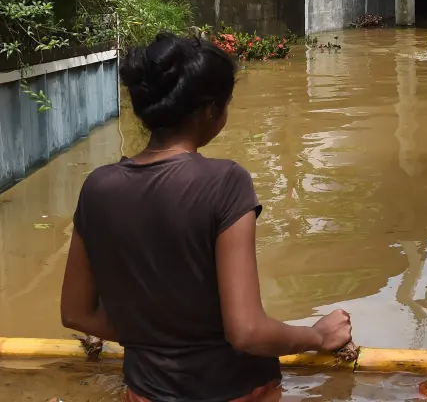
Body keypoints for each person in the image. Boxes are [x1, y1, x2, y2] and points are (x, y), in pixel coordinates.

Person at [61, 33, 353, 402]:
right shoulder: (226, 182)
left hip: (145, 394)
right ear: (210, 110)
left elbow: (76, 314)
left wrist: (155, 338)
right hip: (238, 392)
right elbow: (247, 332)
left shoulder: (97, 188)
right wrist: (317, 336)